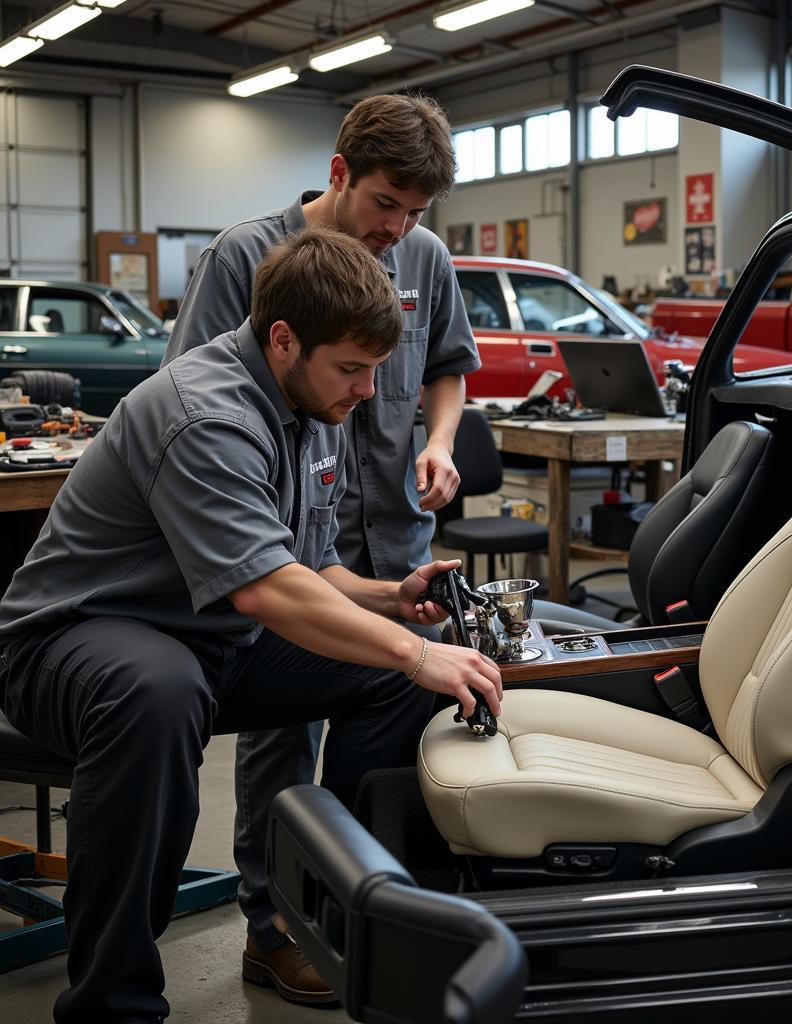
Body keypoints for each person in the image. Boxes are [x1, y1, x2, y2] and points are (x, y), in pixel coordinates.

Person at [0, 226, 502, 1024]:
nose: (369, 392)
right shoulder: (205, 414)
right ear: (282, 339)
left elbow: (307, 569)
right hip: (74, 641)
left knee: (400, 680)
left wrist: (391, 601)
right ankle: (110, 1002)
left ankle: (331, 919)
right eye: (352, 369)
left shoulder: (310, 406)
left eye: (375, 369)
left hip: (209, 639)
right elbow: (268, 592)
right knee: (156, 692)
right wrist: (413, 653)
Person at [161, 93, 480, 1003]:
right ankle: (273, 926)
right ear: (339, 173)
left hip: (389, 530)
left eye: (418, 213)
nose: (400, 228)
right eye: (387, 204)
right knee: (282, 734)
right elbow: (198, 394)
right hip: (288, 540)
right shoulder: (246, 255)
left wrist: (438, 441)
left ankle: (354, 902)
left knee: (388, 713)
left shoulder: (420, 255)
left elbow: (447, 364)